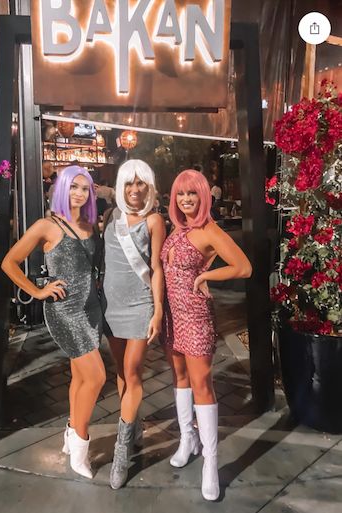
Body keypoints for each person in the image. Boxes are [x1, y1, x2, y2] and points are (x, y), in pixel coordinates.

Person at [1, 165, 106, 480]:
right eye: (73, 187)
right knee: (97, 377)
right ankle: (80, 446)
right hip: (64, 311)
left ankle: (71, 433)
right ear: (62, 189)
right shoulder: (47, 225)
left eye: (84, 188)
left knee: (79, 378)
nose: (79, 193)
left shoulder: (91, 225)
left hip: (91, 309)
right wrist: (37, 291)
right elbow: (9, 262)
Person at [160, 170, 252, 501]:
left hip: (196, 316)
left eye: (192, 194)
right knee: (179, 377)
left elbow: (243, 267)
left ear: (203, 197)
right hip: (171, 316)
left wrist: (206, 275)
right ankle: (188, 439)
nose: (186, 200)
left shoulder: (209, 230)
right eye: (181, 194)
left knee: (202, 384)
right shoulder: (177, 228)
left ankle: (211, 462)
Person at [102, 159, 166, 489]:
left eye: (141, 183)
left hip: (140, 305)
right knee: (120, 373)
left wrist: (157, 311)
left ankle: (121, 450)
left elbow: (156, 268)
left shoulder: (154, 221)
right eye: (130, 183)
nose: (135, 189)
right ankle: (135, 422)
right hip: (111, 307)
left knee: (133, 372)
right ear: (121, 185)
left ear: (149, 186)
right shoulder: (110, 218)